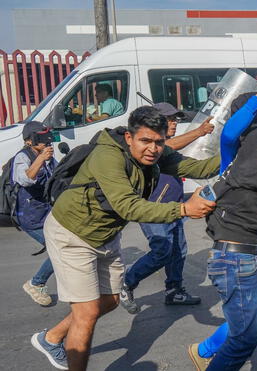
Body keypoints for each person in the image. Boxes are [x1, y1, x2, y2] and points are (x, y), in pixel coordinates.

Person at [30, 106, 219, 371]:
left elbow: (199, 168)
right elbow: (128, 206)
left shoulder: (157, 153)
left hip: (105, 235)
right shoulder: (108, 156)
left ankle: (51, 338)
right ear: (129, 137)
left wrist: (242, 152)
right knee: (86, 314)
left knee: (110, 301)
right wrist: (184, 208)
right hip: (71, 232)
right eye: (145, 141)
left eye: (159, 142)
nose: (152, 149)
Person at [186, 86, 257, 371]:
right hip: (239, 248)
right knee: (246, 333)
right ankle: (206, 351)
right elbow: (227, 133)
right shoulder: (237, 153)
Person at [119, 102, 215, 314]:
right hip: (154, 208)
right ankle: (126, 282)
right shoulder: (156, 148)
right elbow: (173, 145)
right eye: (169, 119)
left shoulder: (164, 146)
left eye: (175, 120)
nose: (173, 123)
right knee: (162, 251)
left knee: (178, 251)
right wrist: (199, 131)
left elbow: (195, 165)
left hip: (176, 206)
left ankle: (174, 290)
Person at [13, 121, 57, 306]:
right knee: (59, 251)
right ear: (30, 141)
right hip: (31, 216)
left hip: (47, 212)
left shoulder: (46, 156)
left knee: (66, 246)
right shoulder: (22, 157)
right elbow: (25, 179)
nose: (47, 142)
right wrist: (40, 160)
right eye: (42, 138)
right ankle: (36, 283)